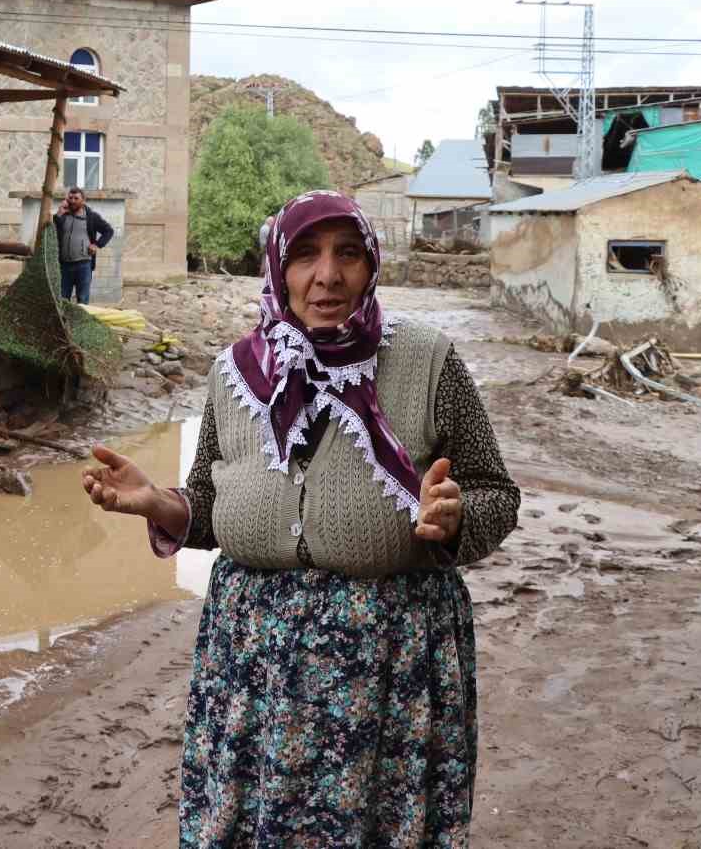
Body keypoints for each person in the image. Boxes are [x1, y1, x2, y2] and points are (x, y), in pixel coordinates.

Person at [81, 190, 520, 848]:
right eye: (306, 254)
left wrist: (455, 519)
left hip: (388, 660)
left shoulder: (428, 362)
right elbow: (210, 506)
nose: (328, 275)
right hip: (257, 660)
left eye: (348, 254)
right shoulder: (234, 374)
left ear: (371, 266)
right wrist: (158, 502)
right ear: (278, 267)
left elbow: (495, 492)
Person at [53, 186, 115, 304]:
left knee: (82, 299)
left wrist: (97, 245)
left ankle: (79, 321)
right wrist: (58, 214)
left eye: (76, 198)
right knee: (62, 299)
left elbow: (109, 231)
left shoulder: (91, 217)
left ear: (83, 200)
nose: (72, 201)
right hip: (64, 266)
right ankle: (64, 322)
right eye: (70, 198)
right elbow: (53, 231)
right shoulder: (63, 215)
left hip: (84, 265)